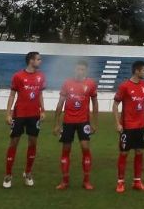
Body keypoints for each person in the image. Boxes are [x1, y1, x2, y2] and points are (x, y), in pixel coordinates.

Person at [3, 51, 45, 188]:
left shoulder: (41, 76)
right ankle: (8, 175)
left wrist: (42, 110)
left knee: (33, 142)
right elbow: (11, 95)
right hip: (19, 114)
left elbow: (39, 95)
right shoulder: (18, 76)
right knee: (14, 142)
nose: (40, 61)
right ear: (31, 61)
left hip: (34, 115)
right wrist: (8, 113)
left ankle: (28, 173)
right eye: (38, 59)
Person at [55, 60, 98, 190]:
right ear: (74, 70)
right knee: (66, 149)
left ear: (86, 71)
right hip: (68, 121)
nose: (80, 72)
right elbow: (60, 103)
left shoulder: (90, 84)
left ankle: (86, 181)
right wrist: (57, 124)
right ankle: (65, 181)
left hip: (83, 121)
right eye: (78, 69)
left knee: (85, 147)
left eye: (82, 70)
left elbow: (95, 103)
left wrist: (94, 123)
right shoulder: (67, 83)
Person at [113, 60, 144, 193]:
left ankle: (137, 182)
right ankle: (120, 182)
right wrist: (118, 123)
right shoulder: (124, 86)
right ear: (136, 71)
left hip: (140, 126)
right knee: (124, 153)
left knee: (139, 152)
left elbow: (143, 102)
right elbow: (115, 105)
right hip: (127, 126)